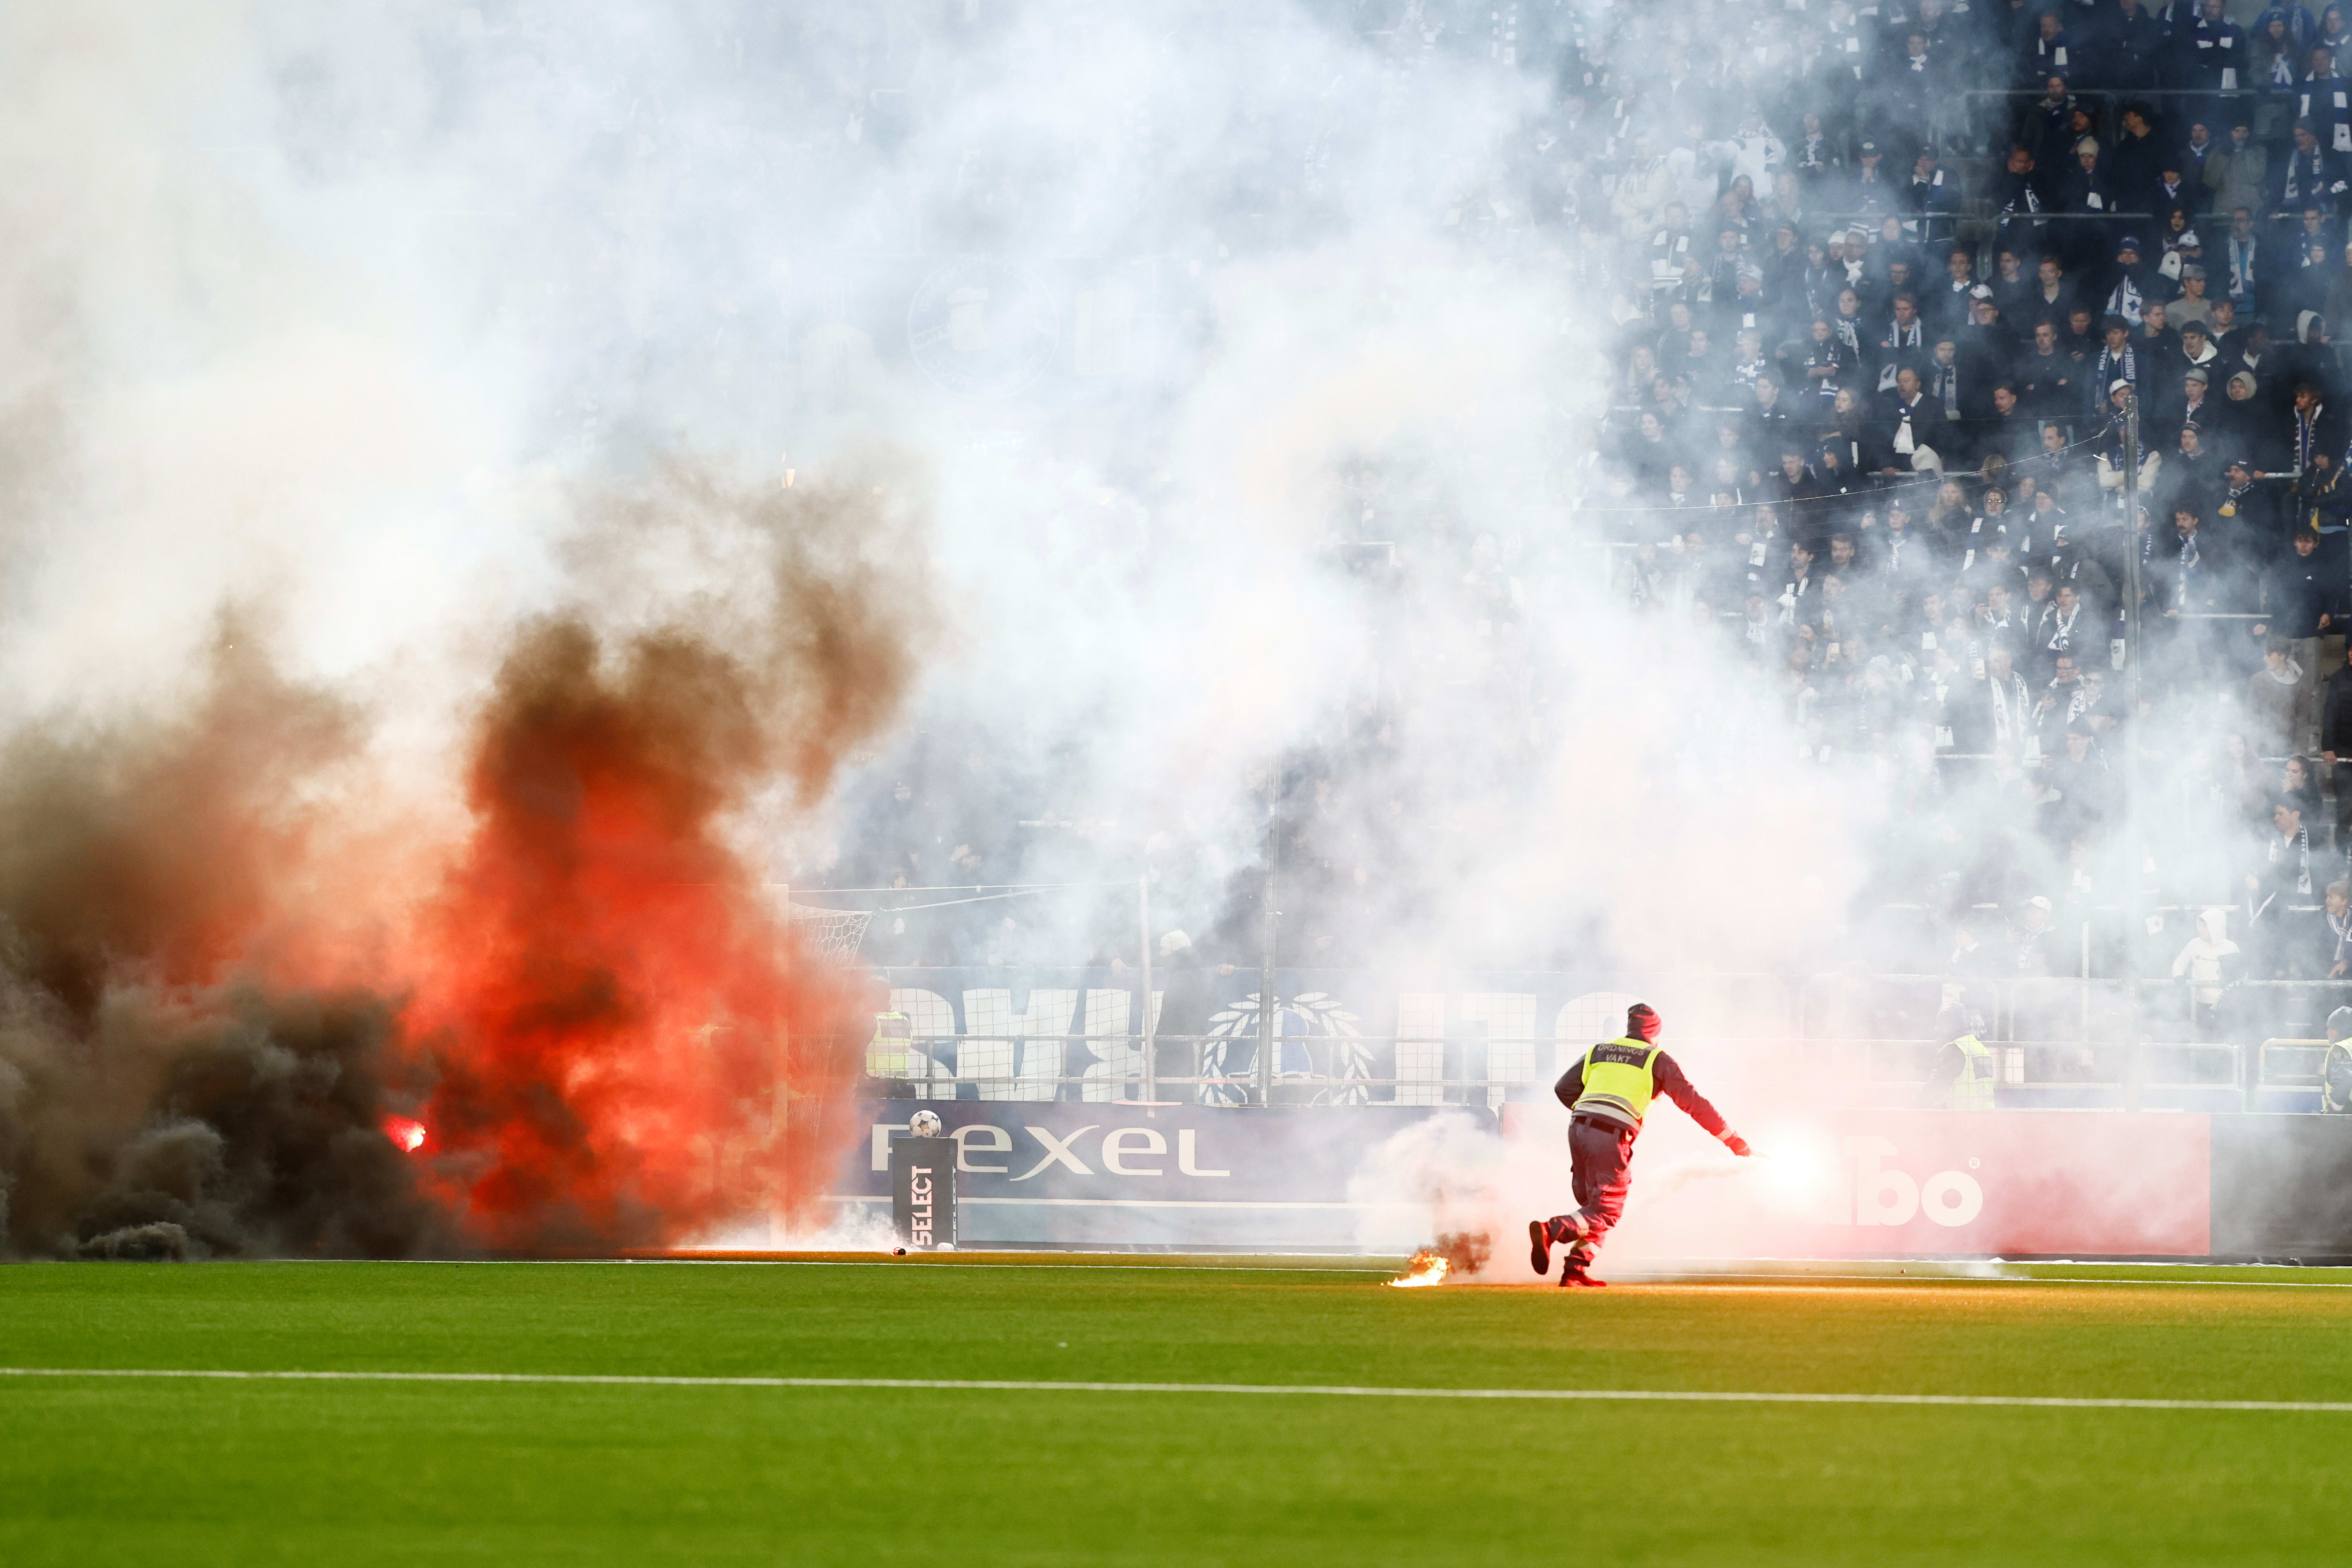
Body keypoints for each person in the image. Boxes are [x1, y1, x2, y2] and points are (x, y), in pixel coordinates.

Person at [1530, 1003, 1750, 1288]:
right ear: (1655, 1033)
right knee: (1608, 1211)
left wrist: (1589, 1113)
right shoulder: (1657, 1059)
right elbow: (1694, 1103)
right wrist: (1733, 1140)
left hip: (1578, 1127)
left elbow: (1563, 1089)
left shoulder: (1600, 1051)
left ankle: (1575, 1272)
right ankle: (1553, 1229)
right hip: (1612, 1134)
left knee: (1597, 1205)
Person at [2322, 1005, 2352, 1112]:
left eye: (2332, 1028)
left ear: (2343, 1030)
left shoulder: (2342, 1048)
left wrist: (2333, 1110)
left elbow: (2346, 1080)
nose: (2328, 1032)